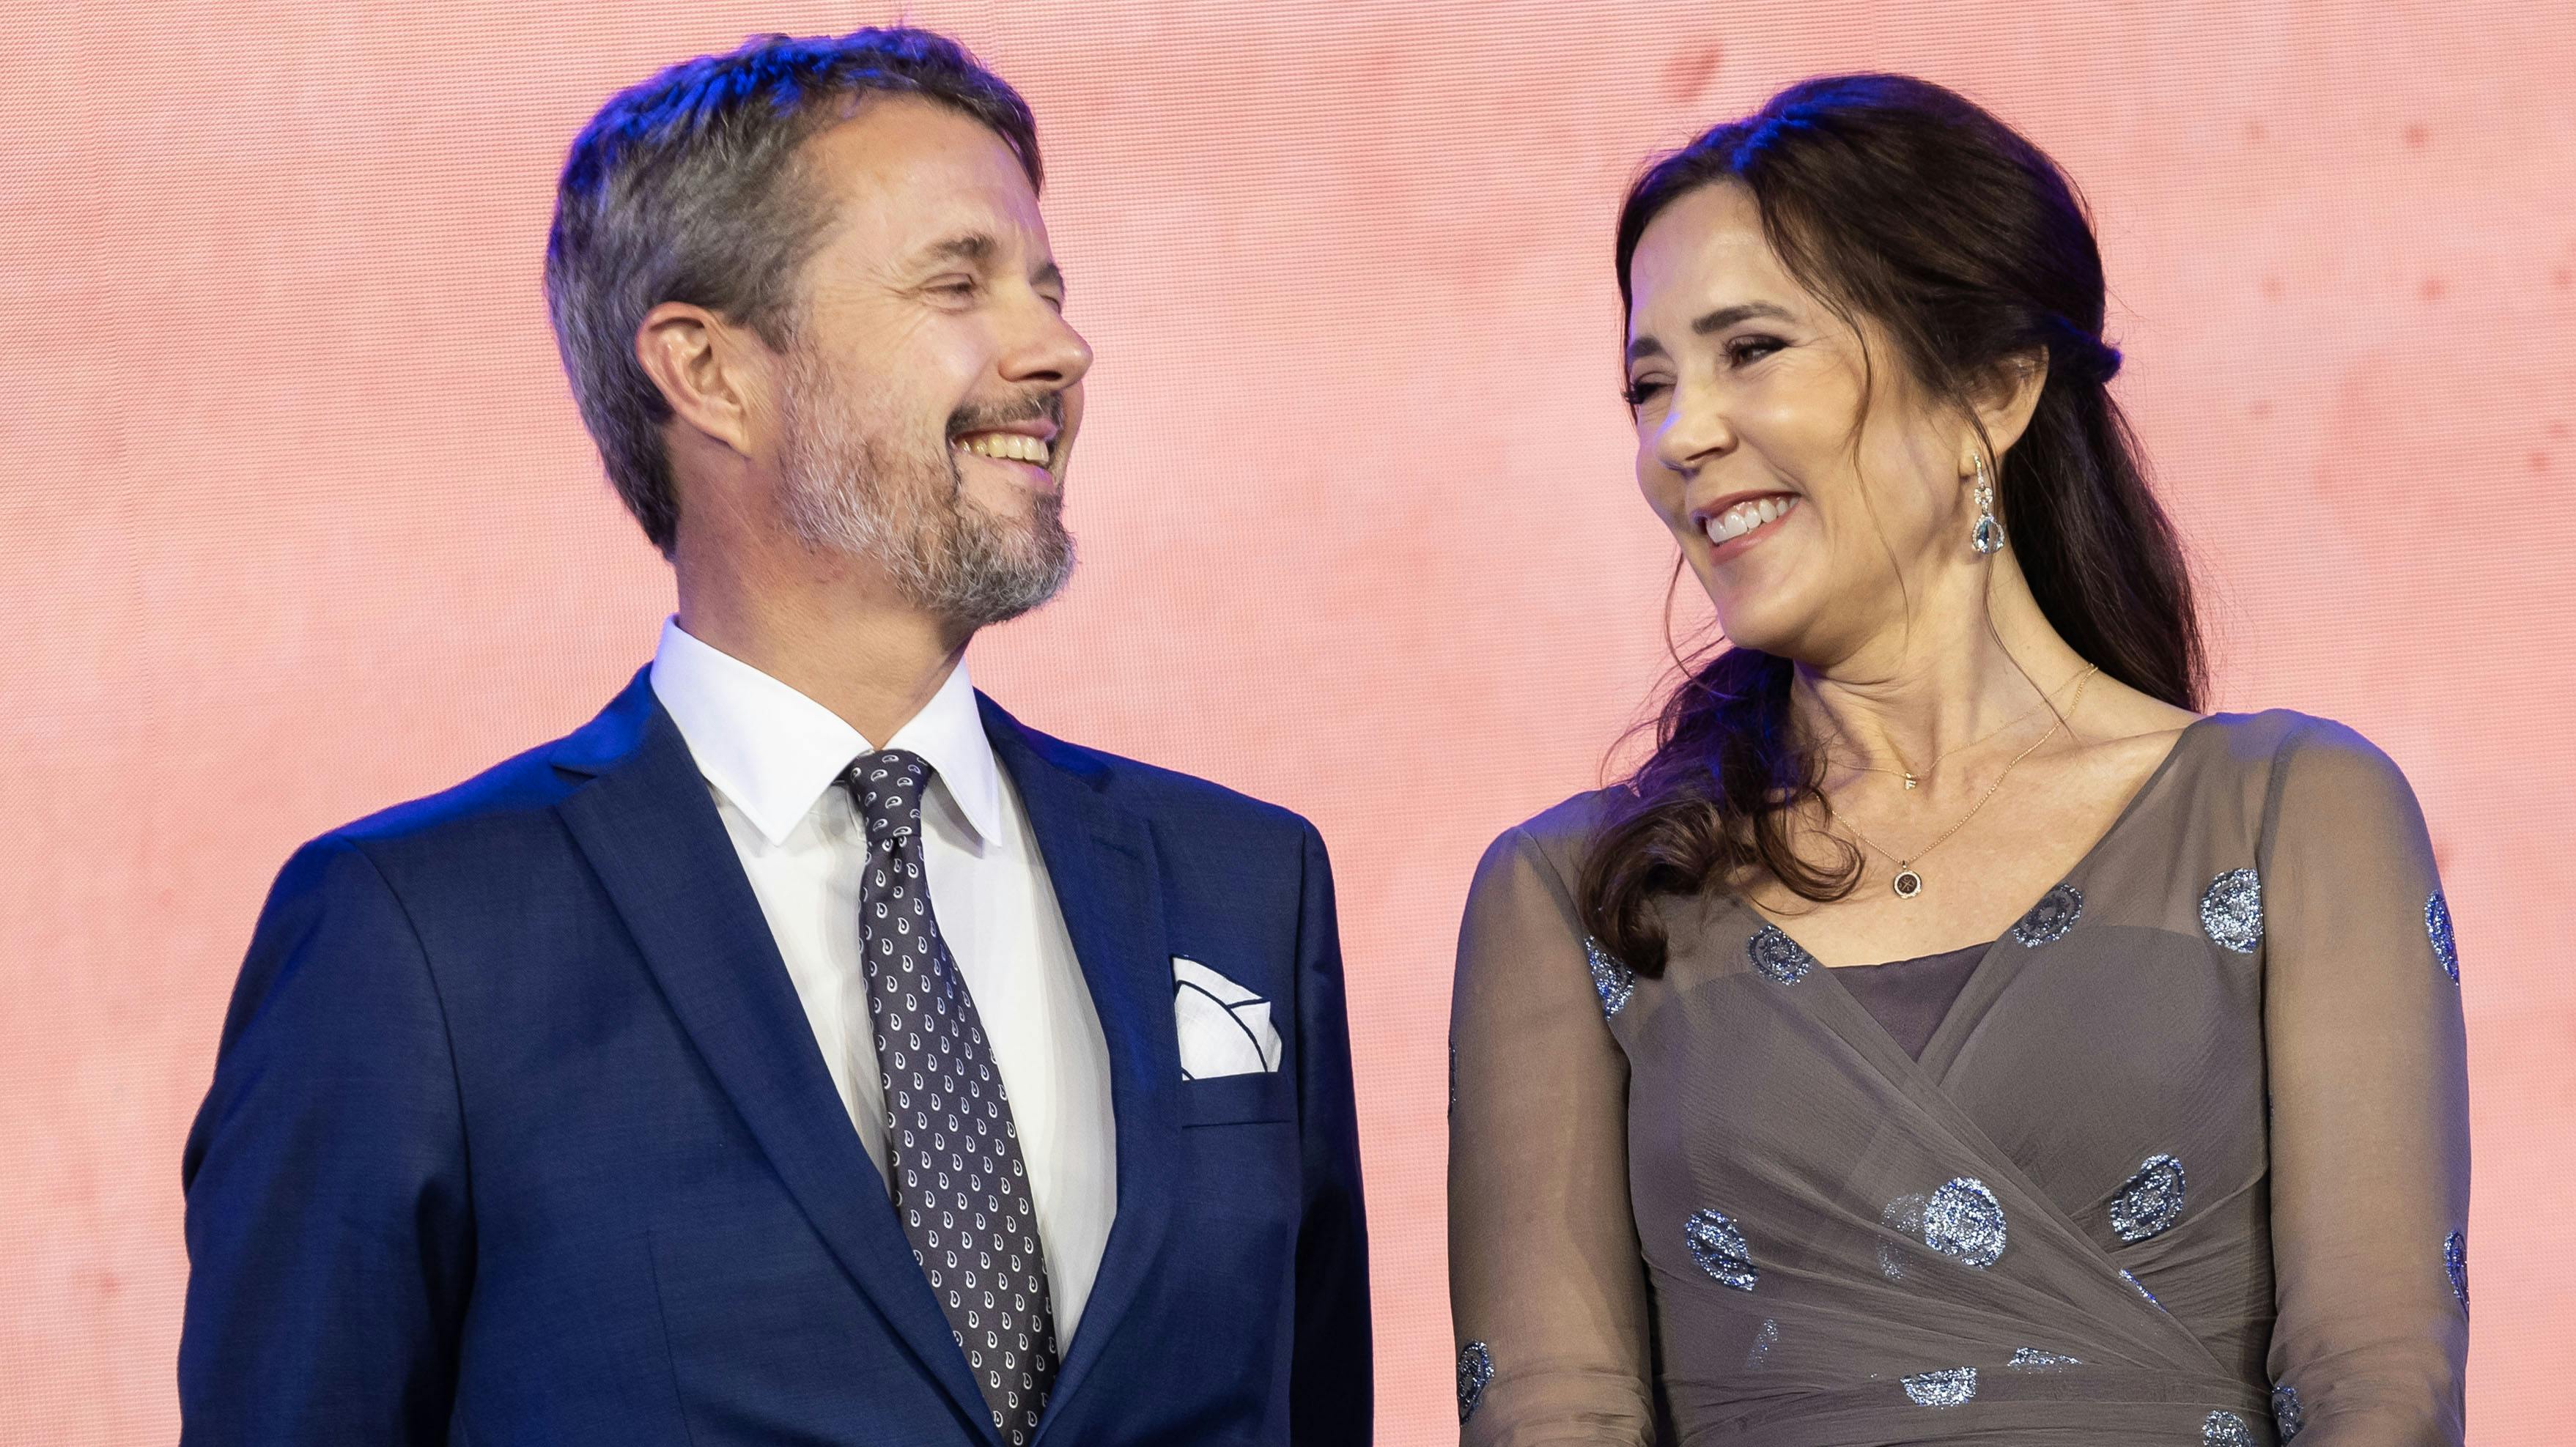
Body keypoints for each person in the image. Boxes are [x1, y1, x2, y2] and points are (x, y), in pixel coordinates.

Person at [179, 29, 1370, 1446]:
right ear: (710, 372)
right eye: (959, 281)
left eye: (1048, 287)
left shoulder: (1243, 882)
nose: (1060, 347)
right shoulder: (416, 939)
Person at [1447, 75, 2468, 1446]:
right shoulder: (1575, 893)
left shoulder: (2291, 812)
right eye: (1648, 382)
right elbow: (1552, 1411)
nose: (1677, 435)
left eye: (1751, 349)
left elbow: (2375, 1378)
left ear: (1990, 389)